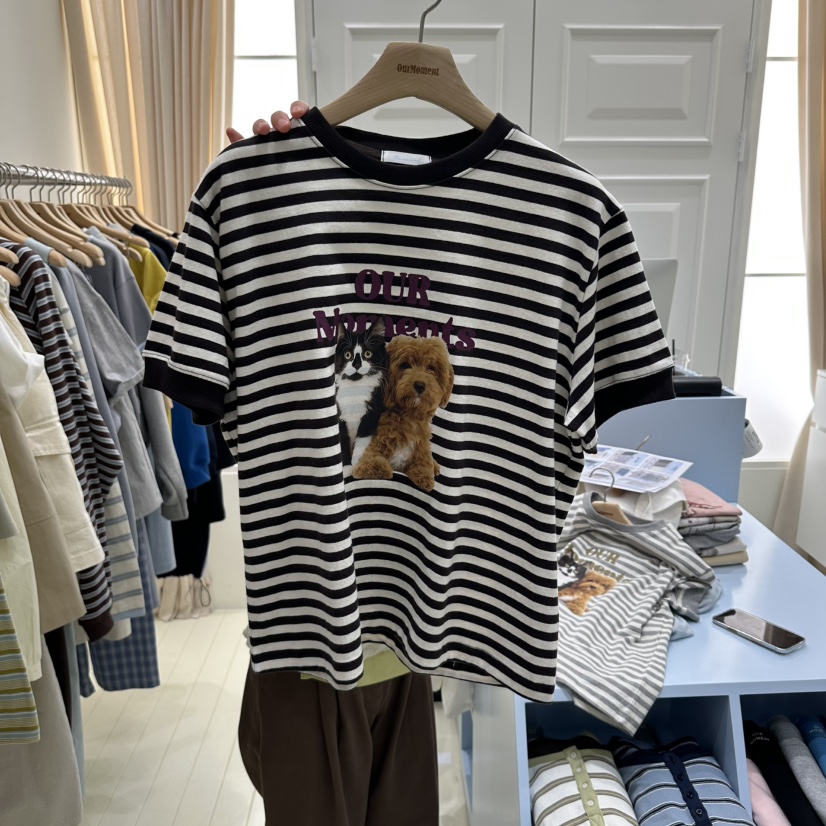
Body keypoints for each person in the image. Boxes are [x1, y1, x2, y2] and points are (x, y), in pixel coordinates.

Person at [224, 101, 440, 826]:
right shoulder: (257, 199)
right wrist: (251, 206)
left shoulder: (556, 212)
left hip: (412, 644)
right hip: (308, 643)